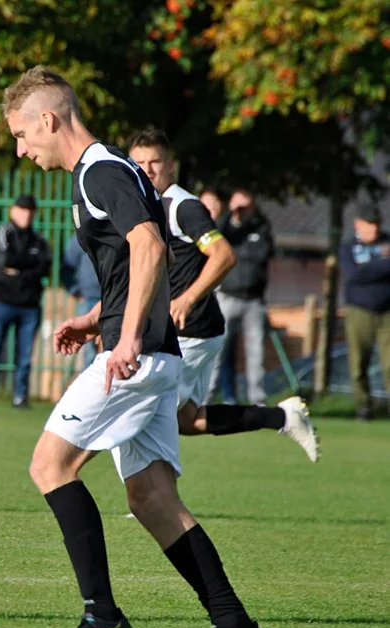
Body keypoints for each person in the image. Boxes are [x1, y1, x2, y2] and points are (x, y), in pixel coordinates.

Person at [2, 66, 269, 628]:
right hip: (150, 351)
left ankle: (102, 616)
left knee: (49, 465)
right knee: (151, 498)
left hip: (139, 356)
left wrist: (121, 340)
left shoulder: (100, 170)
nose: (21, 149)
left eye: (22, 134)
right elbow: (133, 268)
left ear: (48, 119)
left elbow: (149, 245)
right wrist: (96, 319)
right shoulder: (103, 173)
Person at [127, 128, 317, 460]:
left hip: (190, 328)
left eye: (155, 161)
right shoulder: (150, 205)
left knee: (144, 412)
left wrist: (188, 297)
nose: (148, 169)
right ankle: (282, 417)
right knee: (186, 419)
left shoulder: (183, 207)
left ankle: (156, 503)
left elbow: (224, 255)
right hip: (189, 328)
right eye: (140, 162)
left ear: (171, 165)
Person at [0, 195, 51, 409]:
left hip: (30, 305)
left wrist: (19, 270)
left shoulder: (39, 239)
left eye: (30, 211)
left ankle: (20, 397)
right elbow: (4, 263)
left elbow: (44, 267)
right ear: (12, 211)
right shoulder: (3, 233)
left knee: (24, 357)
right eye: (22, 210)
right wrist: (28, 267)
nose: (26, 214)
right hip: (2, 302)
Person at [211, 189, 274, 405]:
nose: (241, 211)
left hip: (253, 301)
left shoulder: (261, 228)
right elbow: (216, 235)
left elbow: (263, 252)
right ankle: (206, 398)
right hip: (227, 297)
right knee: (216, 350)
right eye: (238, 206)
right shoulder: (226, 228)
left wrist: (249, 218)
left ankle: (258, 400)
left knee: (256, 354)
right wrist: (231, 215)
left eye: (245, 206)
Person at [340, 202, 390, 421]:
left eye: (377, 224)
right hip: (359, 311)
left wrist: (367, 270)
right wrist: (381, 264)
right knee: (358, 364)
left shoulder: (387, 241)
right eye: (369, 224)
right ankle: (364, 407)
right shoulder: (348, 246)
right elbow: (352, 275)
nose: (374, 229)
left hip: (387, 312)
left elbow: (363, 273)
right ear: (358, 224)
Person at [61, 232, 101, 369]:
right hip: (89, 298)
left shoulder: (121, 228)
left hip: (115, 298)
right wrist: (75, 291)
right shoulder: (82, 234)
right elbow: (66, 267)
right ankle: (92, 388)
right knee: (89, 349)